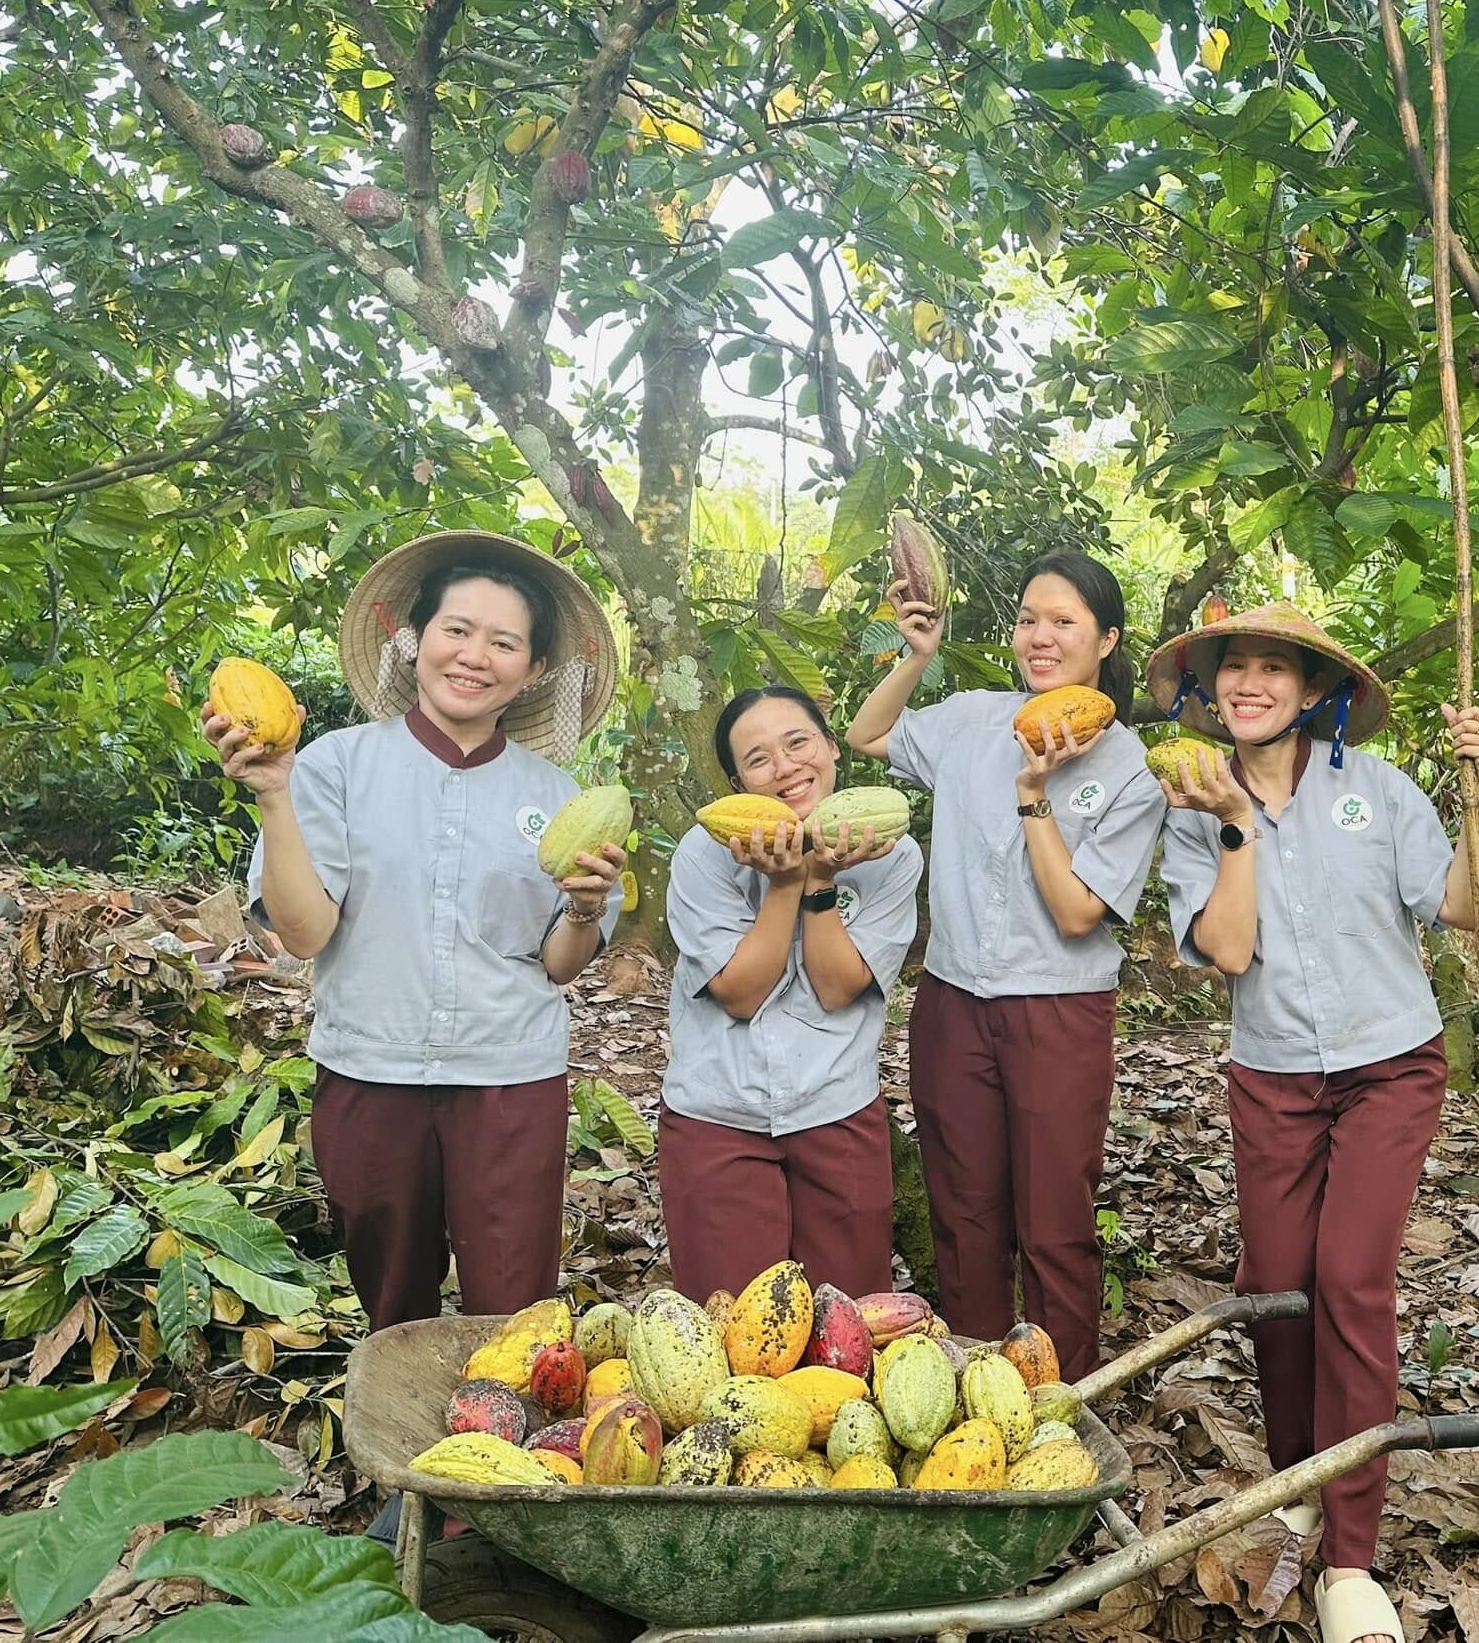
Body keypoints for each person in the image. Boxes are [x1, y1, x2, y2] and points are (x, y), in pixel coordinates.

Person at [1144, 599, 1479, 1643]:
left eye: (1273, 669)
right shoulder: (1187, 807)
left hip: (1389, 1067)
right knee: (1278, 1289)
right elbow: (1229, 952)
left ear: (1312, 693)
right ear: (1211, 694)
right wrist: (1238, 831)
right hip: (1273, 1074)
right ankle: (1302, 1467)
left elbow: (1462, 908)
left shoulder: (1375, 793)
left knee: (1347, 1280)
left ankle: (1348, 1556)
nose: (1251, 684)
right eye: (1232, 669)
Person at [207, 529, 625, 1337]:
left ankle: (505, 1453)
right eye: (456, 630)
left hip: (510, 1074)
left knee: (515, 1304)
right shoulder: (333, 766)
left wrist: (583, 908)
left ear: (533, 669)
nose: (474, 655)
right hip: (371, 1066)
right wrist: (271, 794)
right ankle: (402, 1452)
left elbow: (560, 964)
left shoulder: (560, 793)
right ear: (416, 640)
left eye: (504, 642)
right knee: (392, 1294)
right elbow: (303, 933)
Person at [847, 551, 1165, 1379]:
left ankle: (1065, 1406)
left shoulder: (1130, 768)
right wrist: (917, 656)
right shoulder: (972, 718)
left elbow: (1076, 912)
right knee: (964, 1210)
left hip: (1058, 1009)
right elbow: (867, 734)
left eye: (1064, 622)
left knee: (1055, 1221)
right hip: (954, 1001)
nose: (1041, 637)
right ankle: (975, 1392)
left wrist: (1036, 791)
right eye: (1029, 619)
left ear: (1107, 640)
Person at [659, 687, 922, 1301]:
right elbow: (741, 995)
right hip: (717, 1116)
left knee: (848, 1322)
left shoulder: (893, 854)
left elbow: (837, 989)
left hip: (836, 1108)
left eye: (798, 741)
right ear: (738, 784)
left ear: (831, 747)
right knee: (732, 1327)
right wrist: (782, 887)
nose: (785, 767)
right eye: (758, 758)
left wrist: (820, 881)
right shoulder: (704, 855)